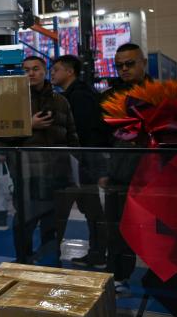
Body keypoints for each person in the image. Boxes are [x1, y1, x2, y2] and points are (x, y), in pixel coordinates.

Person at [5, 55, 79, 263]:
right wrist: (28, 125)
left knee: (53, 225)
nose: (31, 73)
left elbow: (72, 136)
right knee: (24, 223)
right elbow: (0, 136)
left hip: (57, 174)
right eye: (26, 69)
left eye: (36, 68)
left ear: (45, 71)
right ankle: (23, 262)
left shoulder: (61, 101)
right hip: (26, 175)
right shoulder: (13, 102)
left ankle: (50, 265)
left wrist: (77, 167)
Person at [102, 42, 153, 295]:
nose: (124, 69)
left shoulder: (161, 96)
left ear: (144, 63)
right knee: (117, 229)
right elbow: (98, 138)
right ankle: (118, 275)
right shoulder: (109, 98)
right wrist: (102, 171)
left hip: (153, 176)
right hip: (119, 175)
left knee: (157, 230)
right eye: (119, 65)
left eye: (130, 64)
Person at [51, 54, 109, 268]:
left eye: (56, 69)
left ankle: (53, 257)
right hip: (81, 163)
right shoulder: (76, 94)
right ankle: (97, 254)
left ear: (70, 72)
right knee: (92, 212)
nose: (52, 74)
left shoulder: (79, 97)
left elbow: (80, 132)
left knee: (63, 212)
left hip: (79, 164)